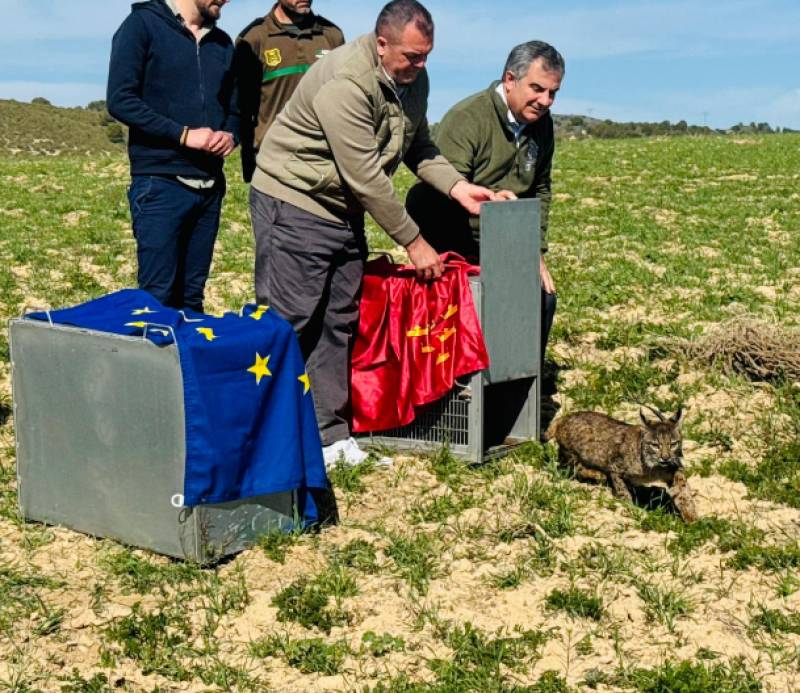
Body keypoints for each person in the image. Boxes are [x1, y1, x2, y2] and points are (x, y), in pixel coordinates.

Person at [248, 0, 497, 465]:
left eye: (426, 56)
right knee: (290, 322)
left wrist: (460, 188)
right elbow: (364, 176)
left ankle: (330, 437)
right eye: (411, 57)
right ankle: (262, 436)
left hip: (341, 212)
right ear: (382, 44)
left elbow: (417, 145)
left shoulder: (411, 79)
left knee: (338, 322)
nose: (419, 66)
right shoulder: (346, 82)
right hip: (294, 202)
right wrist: (416, 243)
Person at [406, 40, 564, 376]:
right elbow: (445, 189)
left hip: (508, 236)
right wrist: (495, 211)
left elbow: (541, 188)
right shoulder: (469, 118)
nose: (545, 101)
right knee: (479, 305)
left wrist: (533, 250)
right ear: (510, 79)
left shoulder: (542, 124)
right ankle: (466, 390)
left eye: (553, 93)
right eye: (537, 89)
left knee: (542, 298)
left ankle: (521, 391)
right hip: (457, 237)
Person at [107, 0, 239, 312]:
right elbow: (120, 99)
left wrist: (231, 134)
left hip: (209, 188)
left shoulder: (222, 43)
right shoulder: (141, 25)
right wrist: (183, 134)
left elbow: (236, 108)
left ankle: (186, 362)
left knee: (192, 298)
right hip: (159, 184)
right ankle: (148, 360)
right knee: (156, 299)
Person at [235, 1, 344, 182]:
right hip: (273, 165)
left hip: (321, 164)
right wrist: (249, 166)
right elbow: (243, 111)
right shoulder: (254, 38)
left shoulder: (332, 36)